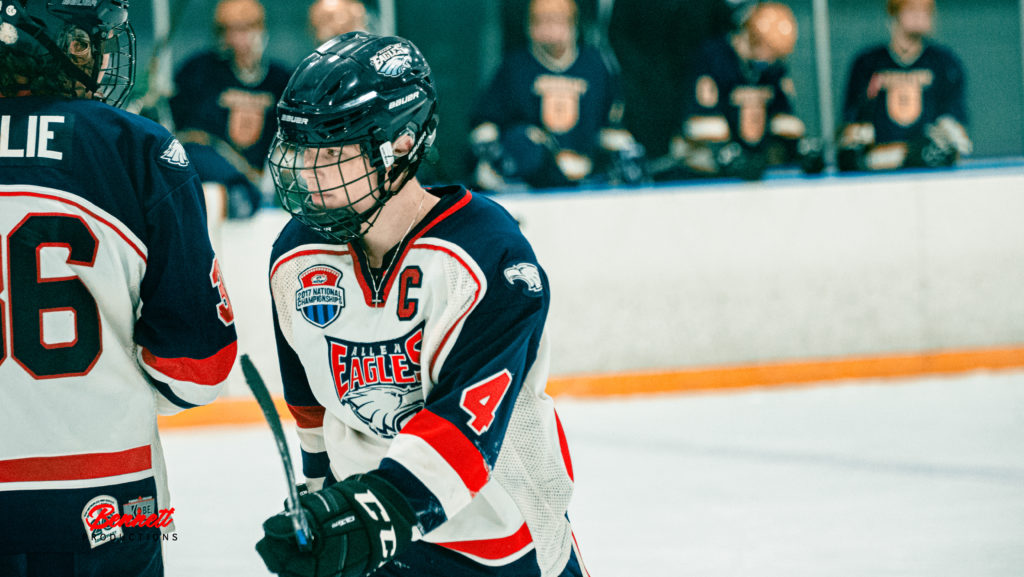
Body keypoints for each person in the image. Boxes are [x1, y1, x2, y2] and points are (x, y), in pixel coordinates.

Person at [256, 31, 588, 577]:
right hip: (380, 533)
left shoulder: (488, 253)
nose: (310, 173)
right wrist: (320, 499)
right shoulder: (296, 254)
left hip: (499, 540)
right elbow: (311, 402)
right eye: (303, 149)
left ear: (402, 145)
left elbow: (465, 428)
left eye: (333, 151)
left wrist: (369, 516)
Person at [0, 2, 238, 576]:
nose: (97, 56)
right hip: (104, 492)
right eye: (83, 41)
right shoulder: (136, 147)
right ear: (37, 45)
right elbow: (198, 369)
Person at [468, 0, 644, 191]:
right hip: (527, 180)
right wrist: (492, 153)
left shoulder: (595, 65)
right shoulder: (514, 67)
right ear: (529, 25)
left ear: (573, 23)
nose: (549, 26)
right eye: (541, 19)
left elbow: (608, 125)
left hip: (585, 175)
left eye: (557, 19)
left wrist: (624, 148)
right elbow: (485, 123)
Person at [169, 0, 292, 219]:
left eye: (245, 29)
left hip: (252, 182)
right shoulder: (200, 70)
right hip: (204, 169)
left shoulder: (280, 79)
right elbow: (186, 133)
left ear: (261, 30)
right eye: (229, 31)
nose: (237, 38)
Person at [672, 1, 823, 180]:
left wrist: (799, 147)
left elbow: (783, 116)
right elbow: (701, 121)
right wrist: (727, 154)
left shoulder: (772, 68)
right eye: (767, 49)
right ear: (750, 36)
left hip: (751, 162)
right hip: (705, 169)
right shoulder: (714, 57)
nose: (770, 59)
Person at [838, 0, 971, 171]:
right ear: (894, 13)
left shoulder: (944, 63)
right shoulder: (868, 63)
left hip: (930, 168)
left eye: (926, 10)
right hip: (879, 168)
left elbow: (956, 122)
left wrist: (950, 131)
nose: (920, 14)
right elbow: (851, 125)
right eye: (912, 8)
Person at [607, 0, 737, 165]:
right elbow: (618, 34)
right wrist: (643, 74)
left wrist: (707, 67)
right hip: (646, 91)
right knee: (652, 154)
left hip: (697, 87)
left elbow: (724, 29)